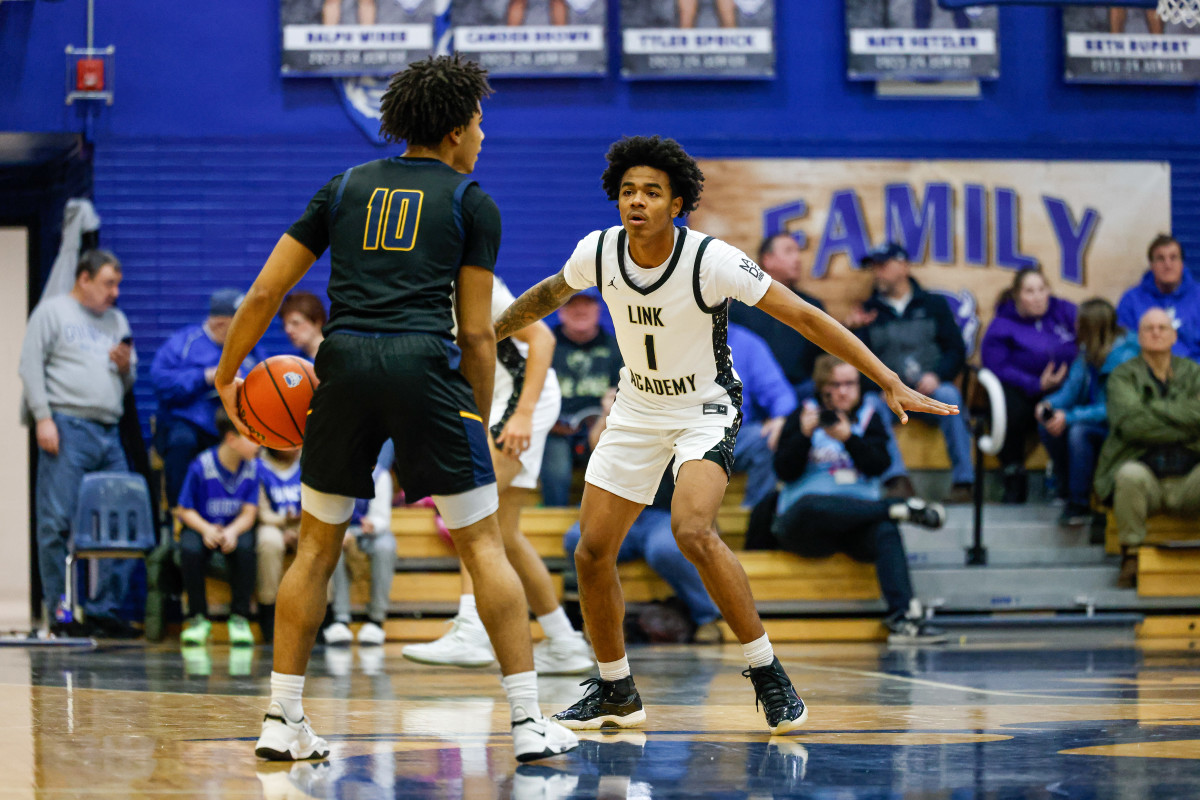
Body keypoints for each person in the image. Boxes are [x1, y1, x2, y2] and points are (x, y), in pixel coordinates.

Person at [493, 135, 957, 734]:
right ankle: (616, 691)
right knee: (590, 550)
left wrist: (887, 378)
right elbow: (549, 293)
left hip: (703, 407)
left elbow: (806, 317)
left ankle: (767, 672)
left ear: (678, 204)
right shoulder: (600, 252)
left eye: (652, 193)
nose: (637, 201)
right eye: (628, 191)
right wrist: (489, 333)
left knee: (692, 529)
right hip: (636, 408)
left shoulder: (711, 260)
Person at [212, 55, 577, 763]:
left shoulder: (343, 187)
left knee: (316, 547)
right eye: (477, 121)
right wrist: (469, 414)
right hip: (423, 365)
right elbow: (476, 333)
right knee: (483, 544)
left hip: (342, 364)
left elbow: (261, 295)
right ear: (451, 130)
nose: (481, 135)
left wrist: (228, 378)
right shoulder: (473, 202)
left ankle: (283, 720)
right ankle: (529, 724)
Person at [401, 275, 593, 674]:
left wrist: (522, 414)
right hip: (496, 400)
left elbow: (543, 340)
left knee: (469, 508)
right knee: (504, 534)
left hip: (523, 397)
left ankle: (472, 630)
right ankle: (564, 641)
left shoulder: (467, 283)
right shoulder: (410, 293)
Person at [752, 355, 948, 644]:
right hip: (806, 527)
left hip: (856, 526)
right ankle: (896, 508)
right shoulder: (802, 414)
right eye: (835, 385)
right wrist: (804, 435)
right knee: (811, 504)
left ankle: (904, 619)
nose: (844, 391)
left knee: (885, 530)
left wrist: (849, 439)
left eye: (850, 384)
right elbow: (784, 471)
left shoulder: (870, 417)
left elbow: (879, 465)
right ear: (822, 387)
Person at [18, 248, 137, 633]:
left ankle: (104, 609)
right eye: (108, 283)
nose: (115, 292)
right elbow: (30, 366)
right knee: (56, 522)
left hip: (108, 431)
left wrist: (123, 368)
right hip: (67, 426)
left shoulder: (116, 320)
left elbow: (128, 381)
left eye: (118, 284)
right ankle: (61, 612)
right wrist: (43, 418)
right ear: (83, 279)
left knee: (123, 521)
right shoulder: (53, 312)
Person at [563, 389, 723, 643]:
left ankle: (707, 618)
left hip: (665, 513)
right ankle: (600, 620)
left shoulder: (683, 401)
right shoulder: (629, 394)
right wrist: (608, 412)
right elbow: (596, 448)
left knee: (665, 549)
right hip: (623, 511)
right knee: (577, 538)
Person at [847, 242, 975, 505]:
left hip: (929, 389)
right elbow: (858, 364)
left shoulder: (934, 304)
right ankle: (896, 480)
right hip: (890, 394)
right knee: (870, 405)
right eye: (874, 268)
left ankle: (965, 482)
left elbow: (956, 350)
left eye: (883, 265)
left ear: (904, 266)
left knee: (950, 395)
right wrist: (879, 387)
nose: (877, 272)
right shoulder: (868, 313)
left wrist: (938, 375)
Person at [1094, 308, 1200, 588]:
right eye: (1149, 328)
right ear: (1138, 337)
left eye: (1162, 328)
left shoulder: (1194, 373)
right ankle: (1131, 557)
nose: (1156, 332)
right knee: (1128, 475)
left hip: (1191, 477)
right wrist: (1184, 422)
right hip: (1146, 477)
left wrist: (1152, 411)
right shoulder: (1121, 376)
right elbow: (1130, 424)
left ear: (1174, 335)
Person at [152, 289, 262, 507]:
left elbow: (265, 375)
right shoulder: (184, 343)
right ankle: (181, 513)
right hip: (187, 422)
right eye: (240, 320)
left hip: (229, 425)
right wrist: (204, 377)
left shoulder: (250, 346)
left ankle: (245, 516)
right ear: (220, 323)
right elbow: (160, 381)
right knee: (182, 442)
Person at [1036, 298, 1139, 527]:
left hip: (1120, 429)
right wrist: (1049, 405)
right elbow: (1070, 391)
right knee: (1048, 422)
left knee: (1078, 432)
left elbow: (1115, 408)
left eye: (1080, 324)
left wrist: (1070, 417)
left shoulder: (1126, 357)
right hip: (1094, 420)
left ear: (1092, 328)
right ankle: (1063, 487)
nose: (1075, 329)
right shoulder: (1087, 353)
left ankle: (1079, 503)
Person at [979, 268, 1078, 504]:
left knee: (1063, 407)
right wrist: (1035, 383)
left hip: (1065, 386)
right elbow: (996, 366)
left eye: (1042, 290)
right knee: (1007, 406)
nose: (1037, 297)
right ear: (1016, 295)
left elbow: (1088, 344)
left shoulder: (1065, 312)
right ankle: (1013, 474)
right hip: (1020, 388)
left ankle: (1065, 480)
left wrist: (1070, 379)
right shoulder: (1002, 324)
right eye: (1029, 291)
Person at [175, 408, 261, 648]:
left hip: (232, 527)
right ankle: (198, 618)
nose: (259, 443)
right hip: (202, 526)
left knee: (246, 547)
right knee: (189, 549)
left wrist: (232, 531)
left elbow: (249, 513)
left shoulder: (253, 468)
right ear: (232, 439)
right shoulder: (201, 465)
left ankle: (240, 617)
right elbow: (184, 510)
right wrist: (206, 529)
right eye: (253, 436)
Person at [542, 287, 623, 507]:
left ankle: (601, 515)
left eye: (586, 304)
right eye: (572, 304)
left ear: (597, 309)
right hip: (555, 428)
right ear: (561, 311)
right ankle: (553, 517)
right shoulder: (545, 345)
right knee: (556, 469)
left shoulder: (618, 347)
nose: (580, 310)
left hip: (601, 427)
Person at [729, 233, 826, 394]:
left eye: (798, 251)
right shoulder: (741, 307)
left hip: (804, 391)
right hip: (752, 393)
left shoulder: (811, 306)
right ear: (767, 260)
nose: (797, 258)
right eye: (789, 251)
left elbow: (824, 356)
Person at [324, 441, 396, 647]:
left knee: (386, 546)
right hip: (344, 531)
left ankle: (376, 619)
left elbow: (383, 518)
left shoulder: (380, 475)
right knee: (332, 546)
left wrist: (372, 524)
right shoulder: (335, 472)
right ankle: (341, 618)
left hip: (370, 534)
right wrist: (341, 532)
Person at [727, 323, 795, 509]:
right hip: (678, 433)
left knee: (765, 438)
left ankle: (756, 517)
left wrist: (781, 418)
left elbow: (781, 395)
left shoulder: (747, 344)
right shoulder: (669, 337)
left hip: (731, 437)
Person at [1116, 234, 1200, 362]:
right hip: (1146, 374)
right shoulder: (1131, 300)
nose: (1168, 265)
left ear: (1182, 264)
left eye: (1173, 258)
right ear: (1151, 265)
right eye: (1161, 259)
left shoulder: (1197, 296)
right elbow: (1123, 347)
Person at [256, 445, 303, 643]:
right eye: (290, 444)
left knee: (321, 541)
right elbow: (262, 512)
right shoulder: (258, 466)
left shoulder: (308, 460)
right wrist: (283, 523)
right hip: (272, 523)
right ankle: (268, 611)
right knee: (269, 541)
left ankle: (326, 613)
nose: (296, 447)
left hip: (304, 522)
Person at [279, 291, 326, 360]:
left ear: (317, 322)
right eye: (285, 325)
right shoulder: (294, 361)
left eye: (295, 323)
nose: (288, 330)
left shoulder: (340, 357)